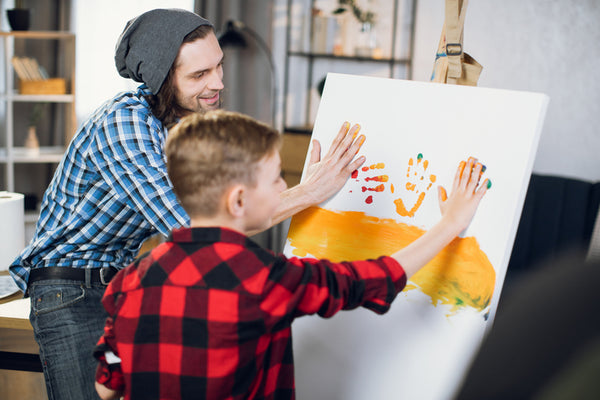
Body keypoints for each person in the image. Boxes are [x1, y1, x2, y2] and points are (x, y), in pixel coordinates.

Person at [9, 9, 365, 400]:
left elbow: (228, 199)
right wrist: (310, 191)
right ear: (163, 79)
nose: (217, 83)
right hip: (71, 290)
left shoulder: (180, 125)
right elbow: (197, 230)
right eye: (199, 75)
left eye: (218, 67)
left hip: (117, 286)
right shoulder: (124, 126)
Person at [93, 110, 489, 400]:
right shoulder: (263, 279)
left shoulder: (132, 279)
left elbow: (105, 386)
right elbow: (370, 279)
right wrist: (450, 224)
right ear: (239, 199)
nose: (286, 184)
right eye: (277, 177)